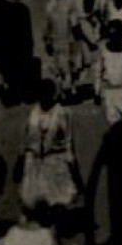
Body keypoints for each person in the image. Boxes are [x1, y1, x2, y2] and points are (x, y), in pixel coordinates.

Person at [17, 80, 81, 211]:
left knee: (55, 203)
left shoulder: (62, 113)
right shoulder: (32, 113)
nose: (44, 98)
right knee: (34, 204)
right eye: (41, 95)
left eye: (47, 94)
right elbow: (25, 140)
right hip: (34, 165)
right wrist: (21, 161)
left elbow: (68, 143)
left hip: (55, 163)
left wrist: (74, 171)